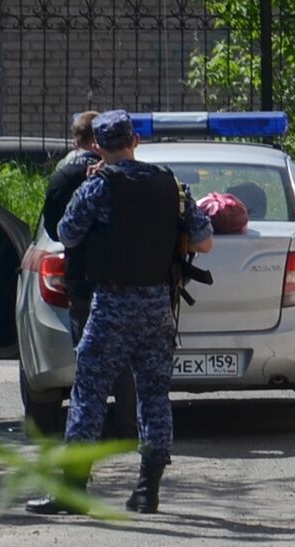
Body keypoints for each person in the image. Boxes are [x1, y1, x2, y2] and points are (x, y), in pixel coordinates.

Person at [26, 109, 214, 515]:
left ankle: (73, 489)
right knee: (153, 395)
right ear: (135, 142)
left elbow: (66, 233)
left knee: (89, 394)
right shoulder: (171, 184)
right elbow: (204, 241)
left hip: (111, 304)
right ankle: (148, 489)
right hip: (159, 306)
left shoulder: (99, 187)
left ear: (97, 146)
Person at [41, 110, 138, 439]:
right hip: (137, 283)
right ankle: (130, 428)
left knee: (88, 362)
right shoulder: (154, 179)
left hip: (84, 280)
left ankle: (88, 437)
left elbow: (60, 233)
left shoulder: (66, 178)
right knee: (127, 361)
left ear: (79, 140)